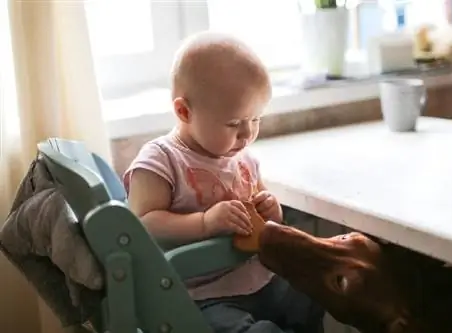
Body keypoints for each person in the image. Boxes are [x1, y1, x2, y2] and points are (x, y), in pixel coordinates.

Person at [123, 31, 324, 333]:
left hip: (260, 277)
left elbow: (265, 216)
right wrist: (204, 222)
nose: (247, 134)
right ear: (184, 111)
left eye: (255, 119)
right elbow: (142, 225)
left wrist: (271, 210)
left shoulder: (242, 157)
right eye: (234, 123)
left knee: (312, 290)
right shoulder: (161, 160)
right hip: (202, 296)